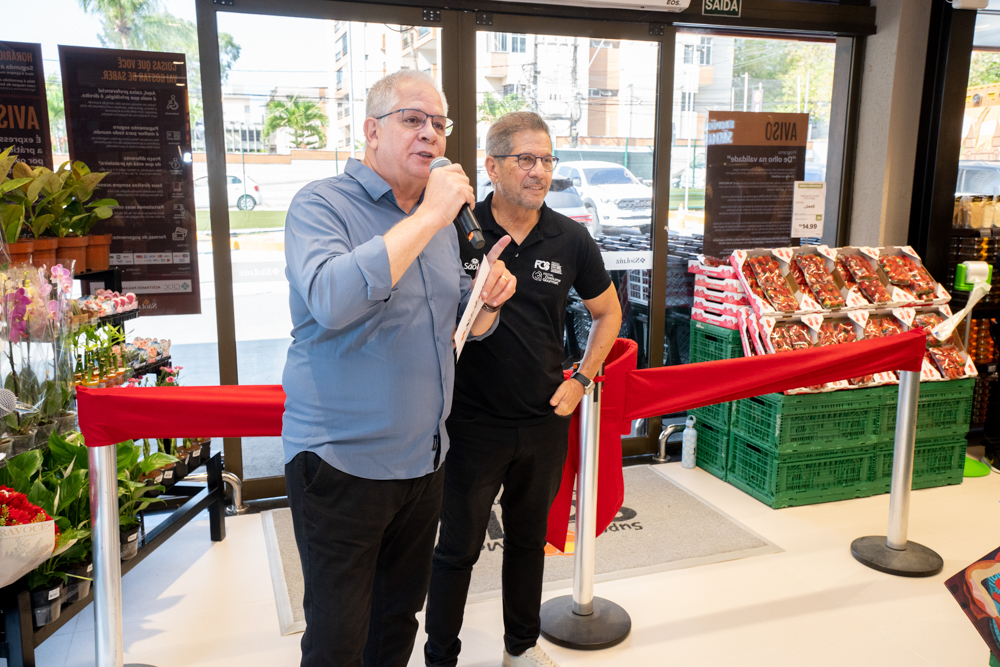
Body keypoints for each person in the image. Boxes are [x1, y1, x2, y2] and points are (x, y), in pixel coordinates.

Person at [281, 69, 517, 667]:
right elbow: (331, 300)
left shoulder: (437, 222)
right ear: (371, 131)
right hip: (341, 464)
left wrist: (485, 305)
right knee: (337, 639)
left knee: (395, 625)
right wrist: (429, 218)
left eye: (440, 124)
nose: (431, 135)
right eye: (413, 120)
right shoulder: (321, 205)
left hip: (423, 463)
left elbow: (457, 328)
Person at [423, 112, 622, 667]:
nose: (539, 172)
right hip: (469, 422)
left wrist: (581, 380)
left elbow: (609, 314)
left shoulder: (570, 237)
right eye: (525, 160)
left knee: (528, 544)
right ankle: (440, 656)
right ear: (492, 166)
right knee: (455, 550)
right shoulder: (458, 228)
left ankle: (521, 648)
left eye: (547, 159)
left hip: (542, 422)